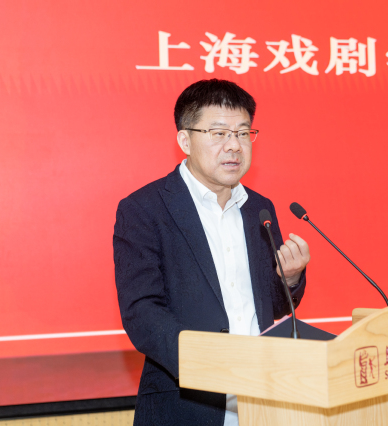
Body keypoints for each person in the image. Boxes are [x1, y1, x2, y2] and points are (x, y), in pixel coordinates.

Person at [113, 79, 310, 426]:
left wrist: (290, 279)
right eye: (219, 133)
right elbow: (142, 312)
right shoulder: (144, 209)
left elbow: (273, 307)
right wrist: (212, 365)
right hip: (187, 405)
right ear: (185, 141)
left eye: (243, 133)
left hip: (264, 401)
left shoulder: (259, 208)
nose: (234, 145)